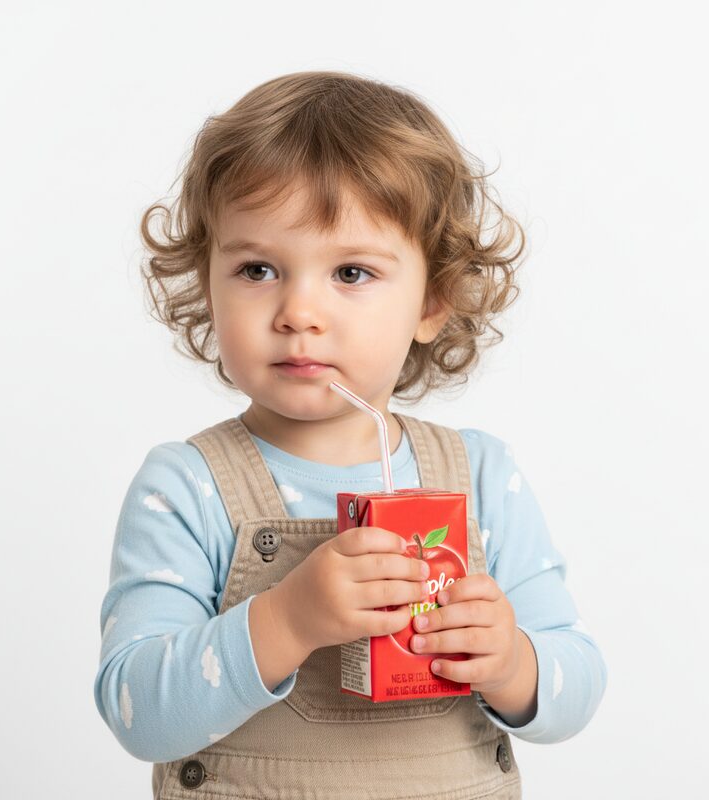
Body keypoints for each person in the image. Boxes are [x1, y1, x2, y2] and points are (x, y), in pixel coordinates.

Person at [93, 70, 607, 799]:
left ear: (432, 301)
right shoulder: (186, 487)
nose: (299, 311)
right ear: (207, 284)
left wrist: (512, 663)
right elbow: (137, 712)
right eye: (257, 268)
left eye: (352, 272)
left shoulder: (482, 476)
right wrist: (287, 619)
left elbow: (577, 683)